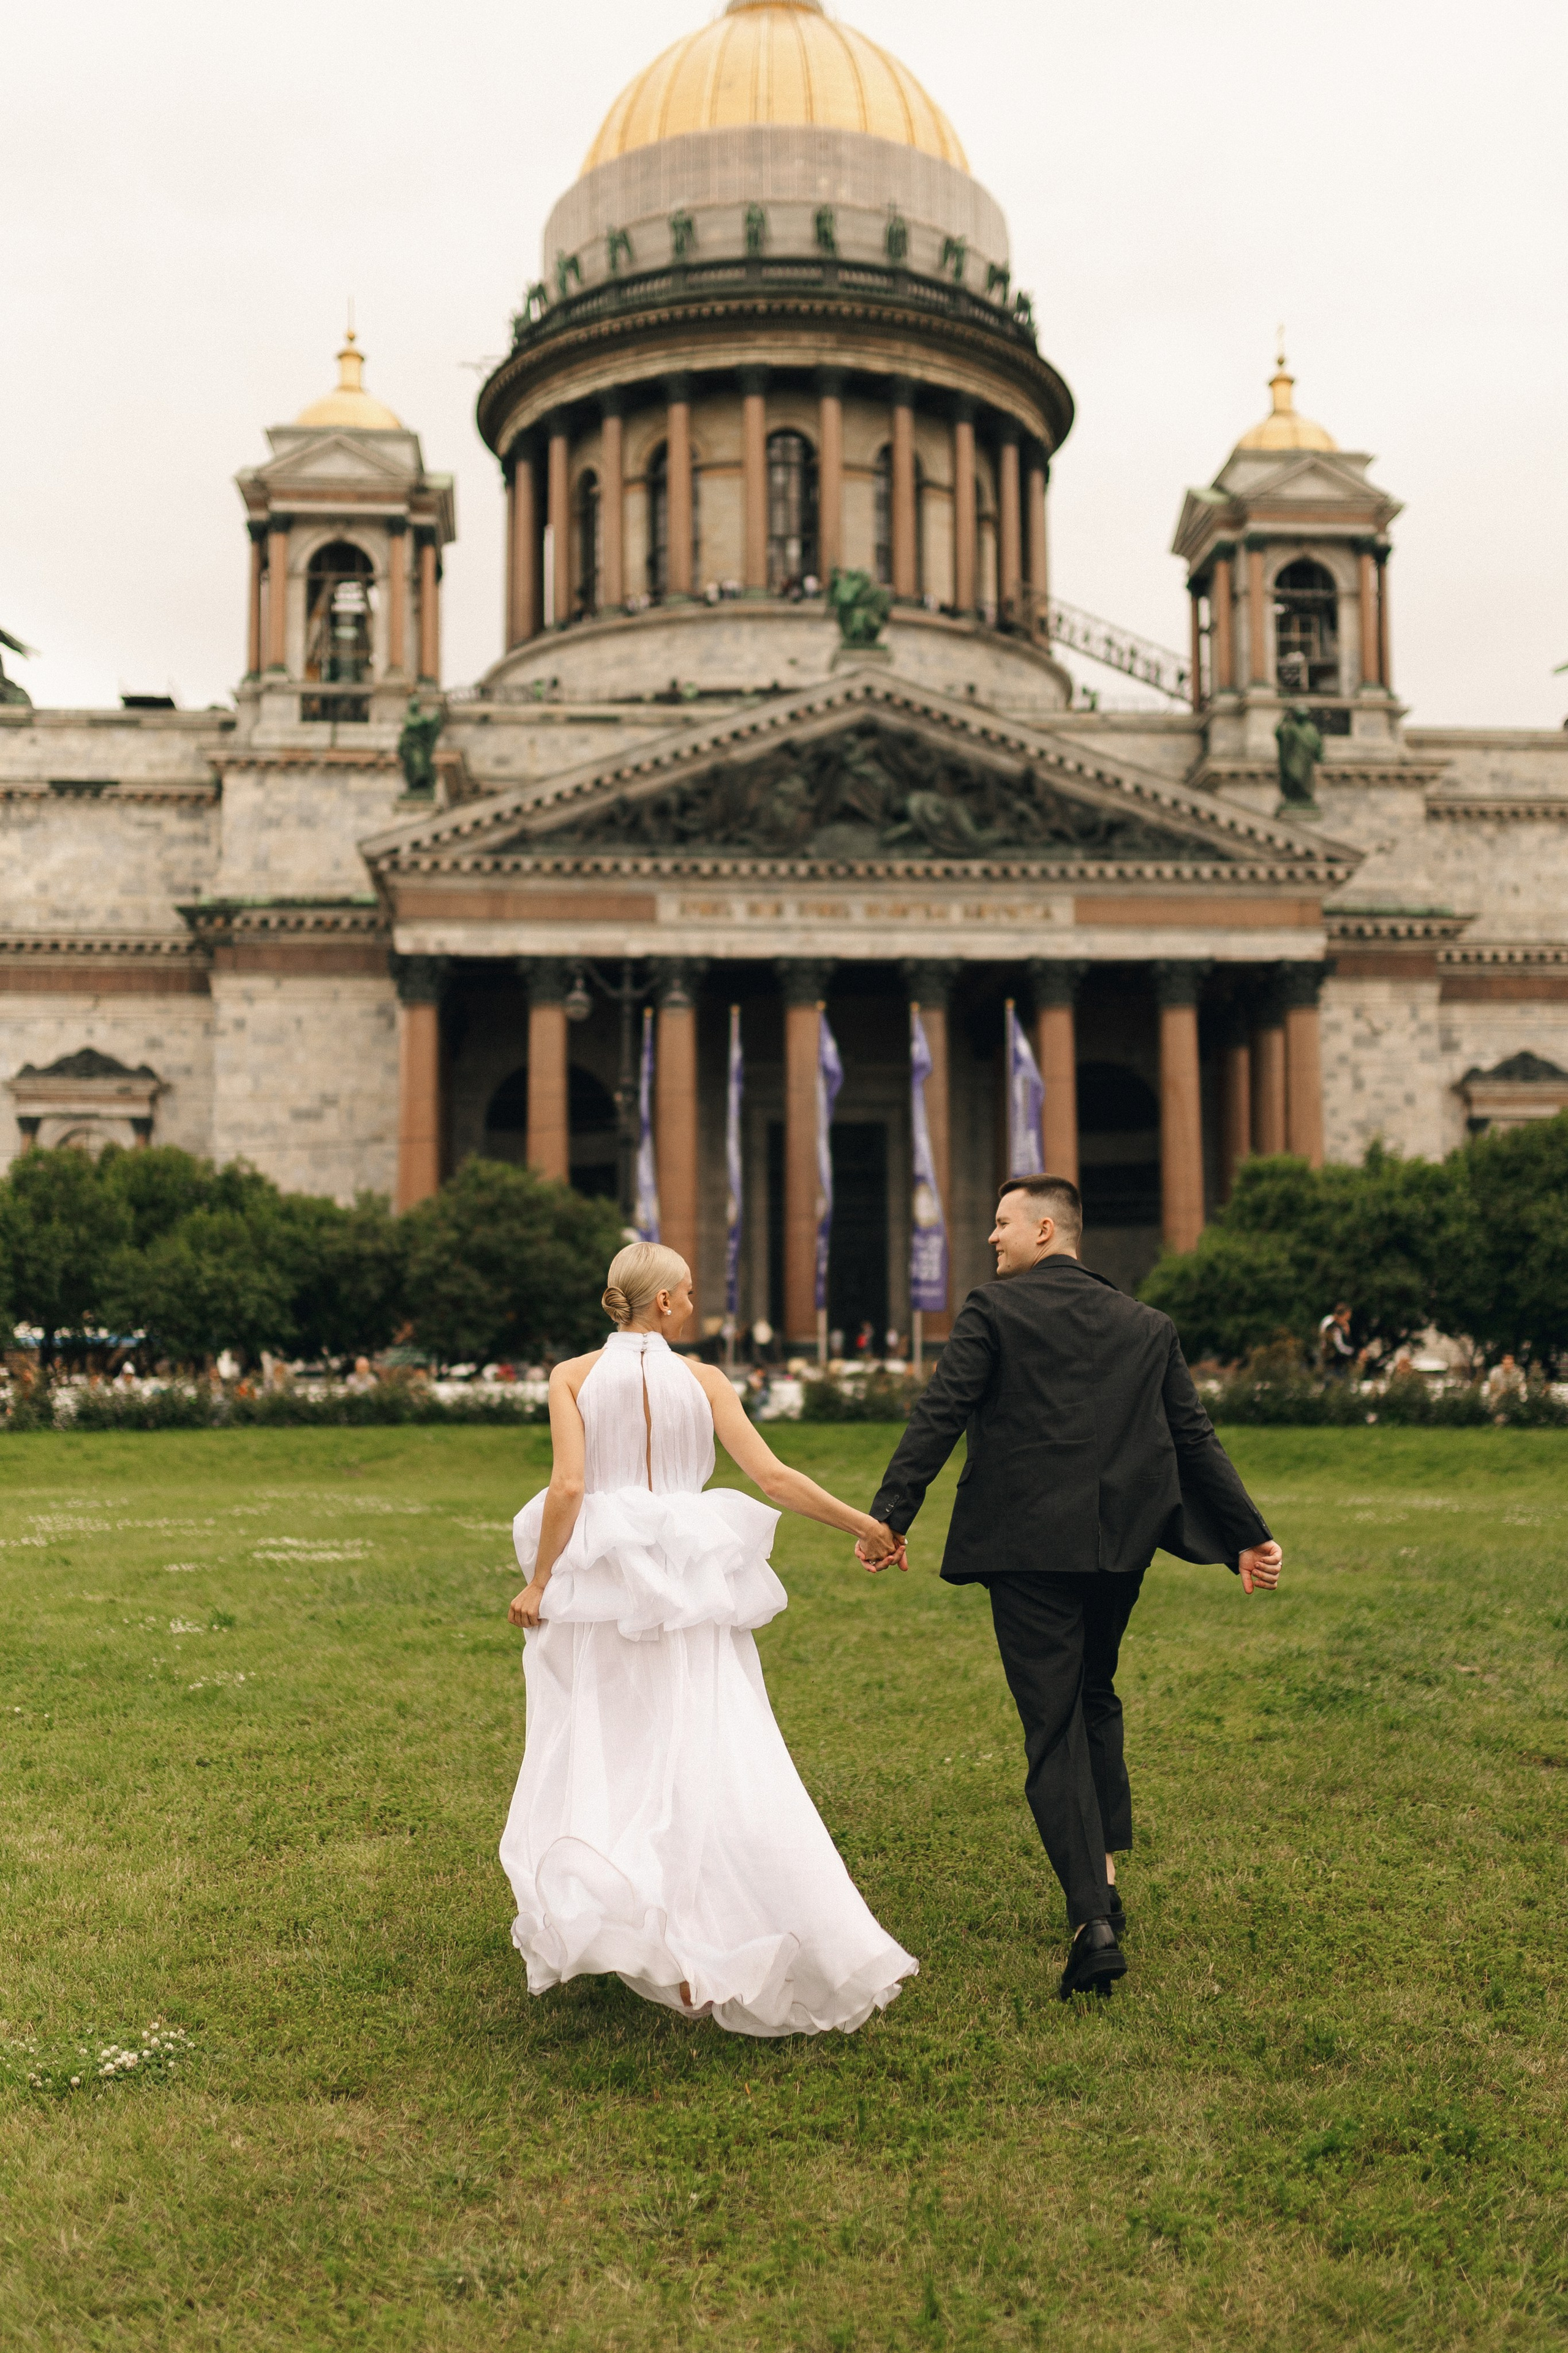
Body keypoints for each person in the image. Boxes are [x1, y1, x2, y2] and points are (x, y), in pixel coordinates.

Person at [858, 1176, 1282, 2001]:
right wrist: (1247, 1534)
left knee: (1053, 1726)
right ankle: (1107, 1874)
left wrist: (890, 1515)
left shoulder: (992, 1310)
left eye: (1003, 1221)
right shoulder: (1147, 1324)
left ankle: (1093, 1921)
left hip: (1025, 1550)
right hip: (1119, 1548)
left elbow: (939, 1411)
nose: (992, 1238)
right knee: (1094, 1697)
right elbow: (1193, 1437)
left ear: (1046, 1228)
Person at [501, 1241, 917, 2038]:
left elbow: (571, 1486)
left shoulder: (572, 1376)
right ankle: (694, 1928)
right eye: (687, 1292)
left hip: (610, 1583)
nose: (694, 1301)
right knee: (706, 1746)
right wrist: (866, 1524)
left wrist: (540, 1580)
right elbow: (773, 1479)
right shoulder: (706, 1381)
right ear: (661, 1304)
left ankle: (633, 1914)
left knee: (614, 1745)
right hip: (691, 1579)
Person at [1319, 1302, 1356, 1379]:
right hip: (1334, 1365)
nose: (1347, 1321)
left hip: (1334, 1363)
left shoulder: (1332, 1323)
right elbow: (1339, 1347)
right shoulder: (1334, 1328)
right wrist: (1355, 1353)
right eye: (1347, 1318)